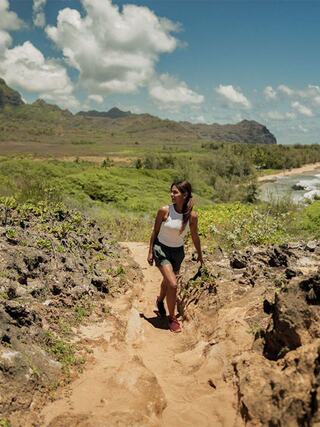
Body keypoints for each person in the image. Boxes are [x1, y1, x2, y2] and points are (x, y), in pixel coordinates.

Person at [147, 180, 204, 333]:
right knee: (172, 284)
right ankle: (172, 318)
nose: (171, 195)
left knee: (168, 281)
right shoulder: (164, 211)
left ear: (184, 195)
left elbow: (195, 236)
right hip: (162, 249)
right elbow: (155, 231)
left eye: (175, 192)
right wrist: (151, 251)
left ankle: (160, 301)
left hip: (178, 252)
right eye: (171, 192)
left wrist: (200, 255)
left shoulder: (192, 216)